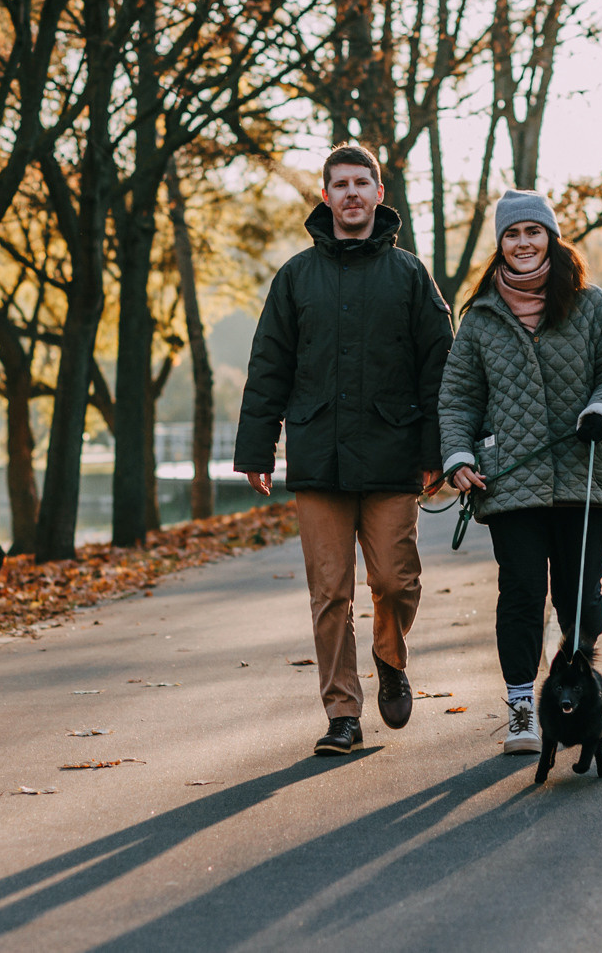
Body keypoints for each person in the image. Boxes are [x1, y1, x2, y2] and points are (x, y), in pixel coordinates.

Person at [235, 143, 455, 756]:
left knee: (395, 579)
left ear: (379, 194)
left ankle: (390, 659)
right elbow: (269, 366)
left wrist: (438, 448)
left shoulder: (410, 275)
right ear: (325, 196)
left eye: (363, 182)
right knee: (330, 591)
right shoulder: (296, 278)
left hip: (393, 457)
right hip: (319, 457)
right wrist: (258, 447)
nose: (352, 193)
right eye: (341, 184)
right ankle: (342, 713)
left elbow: (441, 365)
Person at [437, 191, 602, 755]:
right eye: (511, 234)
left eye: (533, 232)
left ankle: (583, 702)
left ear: (551, 237)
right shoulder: (479, 320)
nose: (523, 243)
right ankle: (524, 707)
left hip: (585, 477)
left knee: (580, 602)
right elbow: (457, 400)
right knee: (521, 595)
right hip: (511, 485)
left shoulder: (592, 305)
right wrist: (458, 457)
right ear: (499, 244)